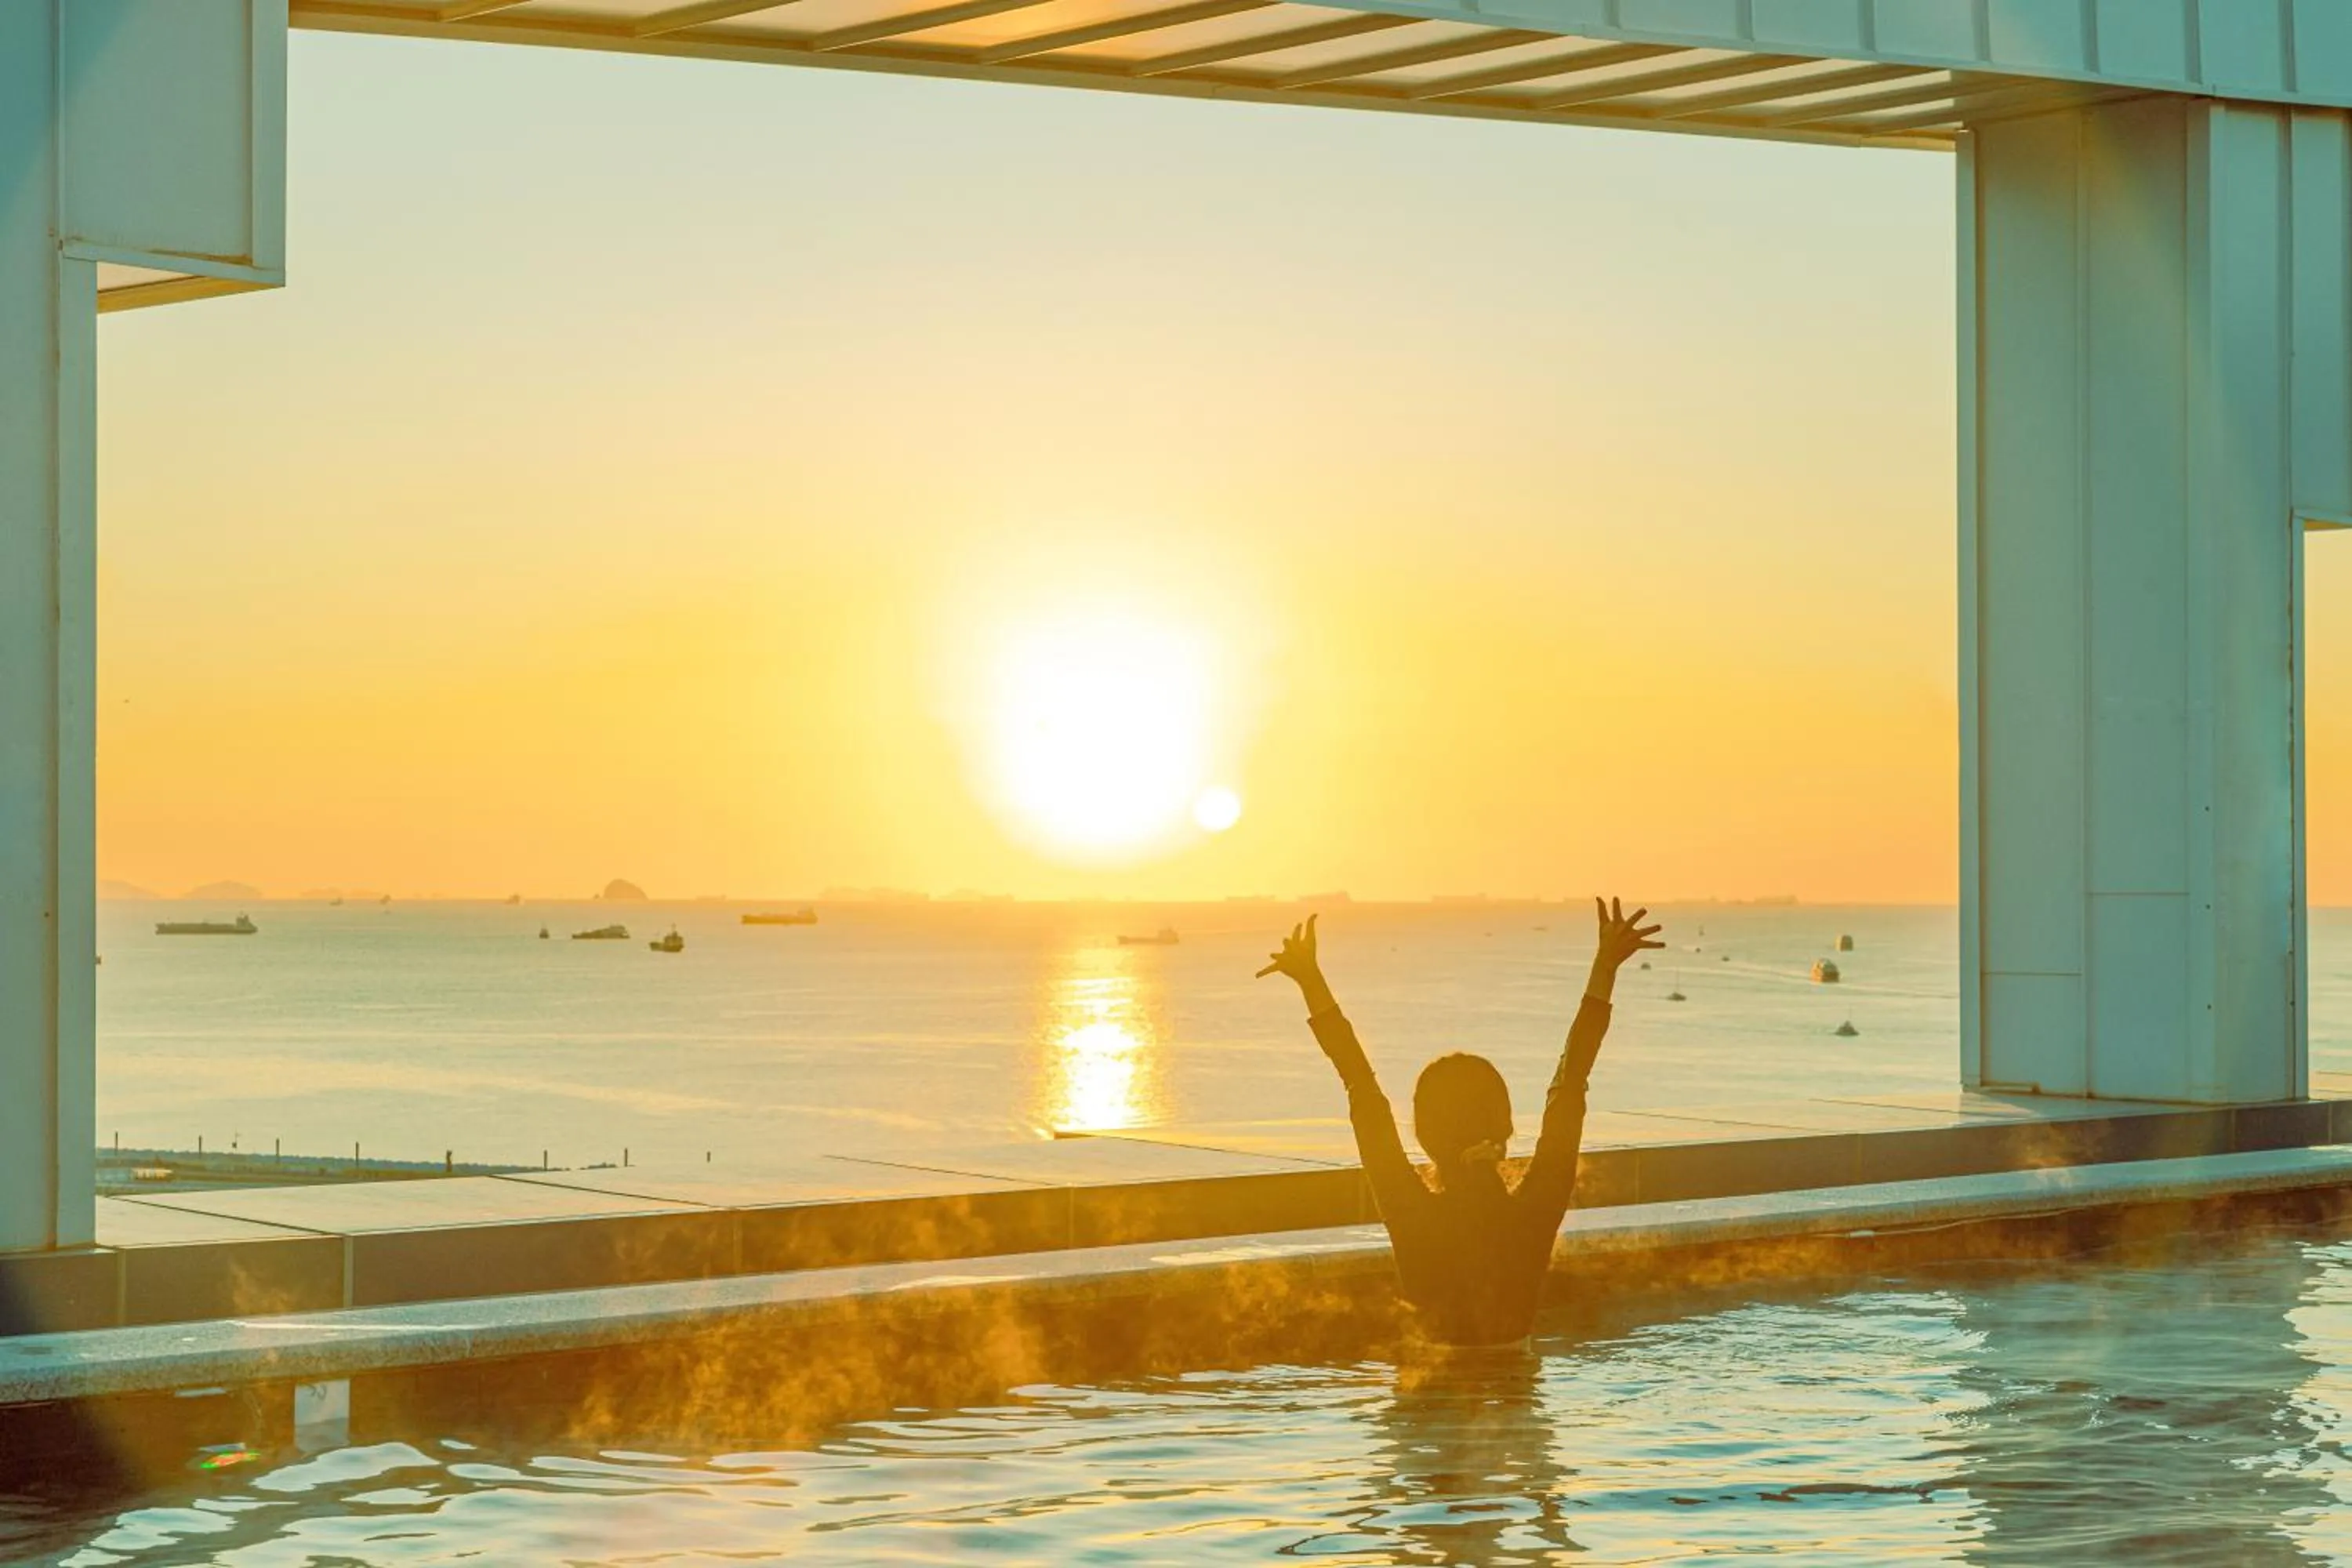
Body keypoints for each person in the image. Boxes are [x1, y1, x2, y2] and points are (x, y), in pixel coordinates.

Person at [1257, 898, 1663, 1346]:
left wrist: (1311, 981)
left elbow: (1361, 1086)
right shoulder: (1536, 1209)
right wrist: (1605, 967)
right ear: (1505, 1128)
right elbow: (1570, 1084)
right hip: (1517, 1388)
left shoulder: (1408, 1209)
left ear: (1424, 1135)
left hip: (1433, 1389)